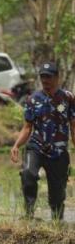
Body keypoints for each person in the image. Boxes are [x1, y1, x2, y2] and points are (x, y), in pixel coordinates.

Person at [10, 62, 75, 221]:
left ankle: (57, 222)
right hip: (36, 146)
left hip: (59, 151)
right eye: (43, 77)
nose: (45, 80)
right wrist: (16, 145)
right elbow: (27, 128)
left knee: (57, 193)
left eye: (49, 77)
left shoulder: (67, 98)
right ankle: (29, 213)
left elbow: (73, 125)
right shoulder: (33, 99)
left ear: (57, 78)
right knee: (28, 174)